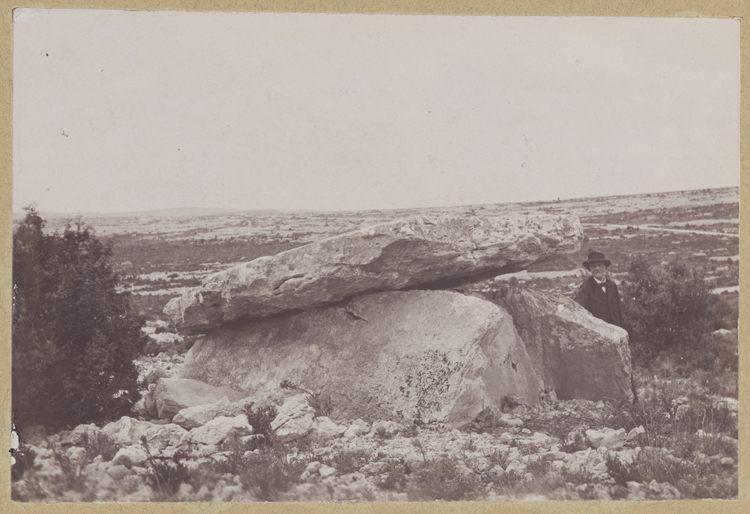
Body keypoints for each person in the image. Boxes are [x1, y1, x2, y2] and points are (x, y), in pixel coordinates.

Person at [573, 250, 623, 327]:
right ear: (589, 269)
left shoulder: (612, 285)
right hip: (599, 332)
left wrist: (622, 330)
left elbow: (619, 310)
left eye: (600, 265)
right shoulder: (586, 287)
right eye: (593, 266)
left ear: (605, 267)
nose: (597, 268)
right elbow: (578, 305)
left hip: (616, 331)